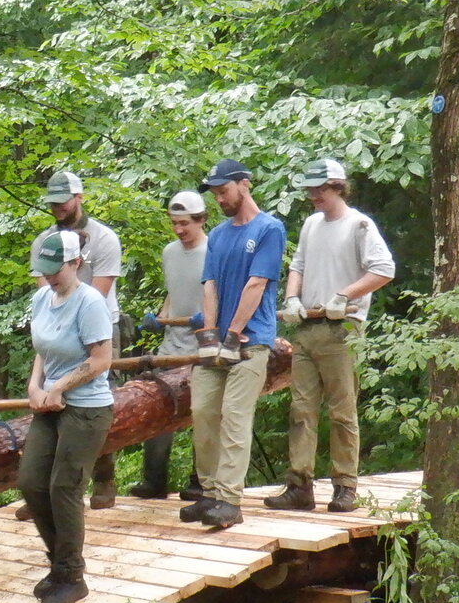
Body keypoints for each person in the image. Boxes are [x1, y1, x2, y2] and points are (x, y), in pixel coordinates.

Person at [267, 159, 396, 513]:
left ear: (338, 186)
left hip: (343, 329)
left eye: (319, 190)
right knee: (301, 410)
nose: (313, 196)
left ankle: (345, 487)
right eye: (309, 190)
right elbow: (299, 266)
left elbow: (384, 269)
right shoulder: (311, 224)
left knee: (342, 411)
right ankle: (299, 485)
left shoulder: (359, 225)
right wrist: (293, 298)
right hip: (307, 328)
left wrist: (346, 295)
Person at [180, 160, 285, 531]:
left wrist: (233, 333)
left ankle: (229, 500)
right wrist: (210, 334)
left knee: (235, 416)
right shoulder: (220, 235)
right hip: (219, 342)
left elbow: (257, 284)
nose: (220, 199)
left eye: (224, 191)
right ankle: (208, 492)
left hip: (251, 341)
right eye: (215, 193)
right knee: (203, 412)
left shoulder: (269, 228)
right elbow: (209, 284)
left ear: (244, 184)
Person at [20, 228, 115, 603]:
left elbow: (100, 360)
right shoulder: (42, 298)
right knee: (31, 481)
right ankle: (58, 563)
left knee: (64, 487)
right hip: (49, 404)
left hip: (87, 407)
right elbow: (42, 350)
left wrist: (59, 388)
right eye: (44, 270)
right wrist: (34, 386)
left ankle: (72, 575)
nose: (49, 276)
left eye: (56, 269)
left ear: (76, 262)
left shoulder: (90, 302)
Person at [31, 170, 123, 509]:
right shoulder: (43, 242)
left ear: (79, 198)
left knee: (94, 400)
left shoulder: (104, 239)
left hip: (99, 325)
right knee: (50, 399)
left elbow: (98, 293)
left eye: (62, 200)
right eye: (52, 202)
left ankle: (103, 475)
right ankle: (44, 484)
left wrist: (76, 321)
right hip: (56, 325)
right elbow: (45, 291)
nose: (56, 207)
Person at [131, 190, 210, 499]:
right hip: (171, 345)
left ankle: (199, 481)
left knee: (201, 412)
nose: (179, 230)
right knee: (159, 408)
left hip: (203, 344)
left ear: (201, 220)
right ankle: (154, 481)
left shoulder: (213, 251)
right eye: (174, 223)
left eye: (185, 224)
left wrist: (207, 319)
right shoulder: (169, 252)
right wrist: (161, 317)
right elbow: (173, 293)